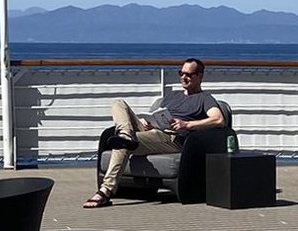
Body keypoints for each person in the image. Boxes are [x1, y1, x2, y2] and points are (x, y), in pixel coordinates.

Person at [85, 58, 225, 208]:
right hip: (154, 130)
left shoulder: (204, 99)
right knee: (119, 104)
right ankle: (126, 135)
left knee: (122, 143)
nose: (184, 77)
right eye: (181, 73)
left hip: (171, 138)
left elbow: (219, 120)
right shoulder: (172, 96)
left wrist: (187, 124)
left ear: (200, 76)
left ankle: (106, 190)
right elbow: (157, 114)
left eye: (189, 75)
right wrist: (149, 123)